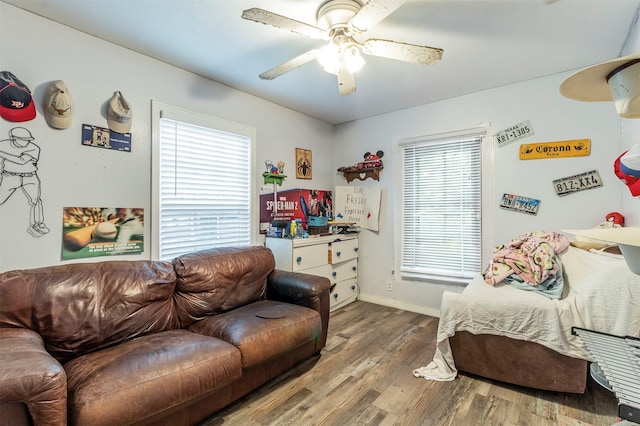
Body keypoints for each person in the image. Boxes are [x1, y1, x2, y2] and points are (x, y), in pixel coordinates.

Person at [0, 127, 49, 237]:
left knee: (36, 200)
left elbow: (21, 161)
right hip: (10, 176)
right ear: (14, 138)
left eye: (27, 139)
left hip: (30, 177)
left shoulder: (34, 148)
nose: (25, 142)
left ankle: (38, 224)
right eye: (22, 139)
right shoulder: (3, 144)